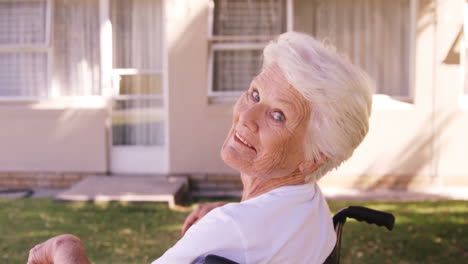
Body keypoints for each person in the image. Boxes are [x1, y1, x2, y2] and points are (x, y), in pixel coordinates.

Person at [27, 31, 373, 264]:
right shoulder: (311, 208)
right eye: (254, 94)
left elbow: (246, 233)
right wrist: (235, 216)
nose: (245, 116)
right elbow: (261, 231)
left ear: (315, 157)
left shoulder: (230, 230)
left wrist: (67, 248)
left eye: (278, 115)